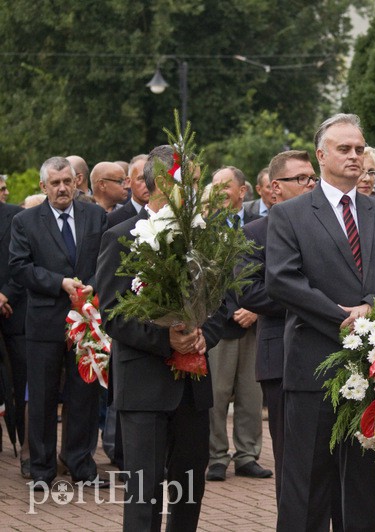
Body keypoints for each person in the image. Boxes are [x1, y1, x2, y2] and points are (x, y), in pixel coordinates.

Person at [265, 113, 375, 532]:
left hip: (373, 371)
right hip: (314, 366)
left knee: (363, 487)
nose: (355, 156)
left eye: (359, 149)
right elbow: (282, 278)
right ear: (321, 156)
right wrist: (342, 319)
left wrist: (370, 309)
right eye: (344, 149)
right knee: (307, 486)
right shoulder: (291, 214)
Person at [97, 145, 224, 531]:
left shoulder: (205, 236)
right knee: (143, 492)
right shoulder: (122, 236)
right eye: (190, 184)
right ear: (160, 186)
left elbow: (225, 298)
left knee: (189, 488)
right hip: (144, 386)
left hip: (192, 389)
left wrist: (204, 334)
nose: (198, 193)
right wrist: (164, 339)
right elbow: (112, 314)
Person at [8, 156, 108, 489]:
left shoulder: (95, 215)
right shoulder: (26, 221)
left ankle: (81, 464)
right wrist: (60, 283)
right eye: (55, 183)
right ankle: (41, 470)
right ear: (43, 187)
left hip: (87, 320)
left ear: (77, 181)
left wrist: (92, 284)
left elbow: (107, 259)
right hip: (45, 322)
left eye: (67, 181)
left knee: (84, 395)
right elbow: (20, 267)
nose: (62, 188)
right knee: (42, 398)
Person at [237, 149, 318, 506]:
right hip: (280, 355)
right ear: (274, 188)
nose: (309, 185)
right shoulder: (255, 232)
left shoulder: (329, 228)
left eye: (312, 178)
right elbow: (248, 291)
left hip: (331, 352)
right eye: (300, 179)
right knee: (291, 457)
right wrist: (311, 302)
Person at [205, 166, 271, 482]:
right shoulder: (204, 229)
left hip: (255, 322)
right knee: (216, 394)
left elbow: (269, 273)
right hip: (219, 324)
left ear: (242, 191)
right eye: (214, 186)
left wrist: (255, 310)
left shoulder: (260, 228)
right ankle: (216, 456)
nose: (218, 192)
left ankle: (247, 455)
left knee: (251, 394)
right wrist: (232, 309)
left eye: (225, 186)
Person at [0, 198, 27, 476]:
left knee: (23, 384)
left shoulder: (17, 217)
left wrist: (5, 294)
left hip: (15, 312)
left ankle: (28, 450)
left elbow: (24, 262)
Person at [107, 155, 148, 227]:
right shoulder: (112, 220)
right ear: (128, 182)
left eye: (153, 178)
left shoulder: (170, 214)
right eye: (142, 178)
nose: (149, 183)